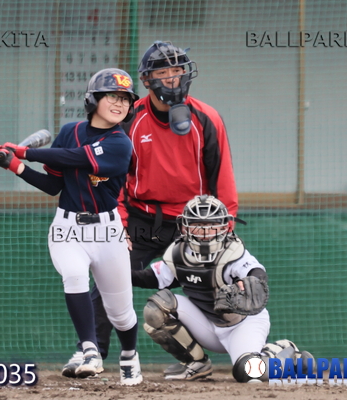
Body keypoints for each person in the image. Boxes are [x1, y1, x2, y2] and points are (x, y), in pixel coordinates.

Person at [65, 40, 239, 374]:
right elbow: (112, 181)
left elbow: (223, 179)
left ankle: (226, 356)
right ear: (146, 80)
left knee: (221, 284)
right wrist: (118, 226)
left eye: (178, 70)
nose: (173, 78)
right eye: (163, 72)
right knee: (109, 277)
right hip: (141, 219)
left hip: (196, 223)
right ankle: (91, 354)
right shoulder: (129, 120)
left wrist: (224, 230)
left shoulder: (207, 118)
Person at [0, 68, 143, 386]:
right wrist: (16, 166)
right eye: (112, 96)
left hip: (108, 231)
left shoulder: (121, 143)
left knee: (120, 312)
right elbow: (53, 185)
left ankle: (129, 355)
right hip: (67, 228)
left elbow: (77, 158)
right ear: (93, 99)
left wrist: (25, 152)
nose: (120, 103)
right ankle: (90, 350)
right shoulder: (69, 131)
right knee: (73, 275)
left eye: (126, 99)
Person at [131, 194, 314, 381]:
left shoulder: (232, 251)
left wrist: (252, 282)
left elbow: (256, 272)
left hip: (242, 323)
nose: (204, 230)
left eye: (211, 224)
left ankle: (283, 353)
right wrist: (118, 275)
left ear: (224, 226)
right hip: (208, 324)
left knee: (249, 372)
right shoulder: (178, 253)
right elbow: (151, 278)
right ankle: (196, 365)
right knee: (157, 307)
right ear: (184, 226)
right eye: (197, 224)